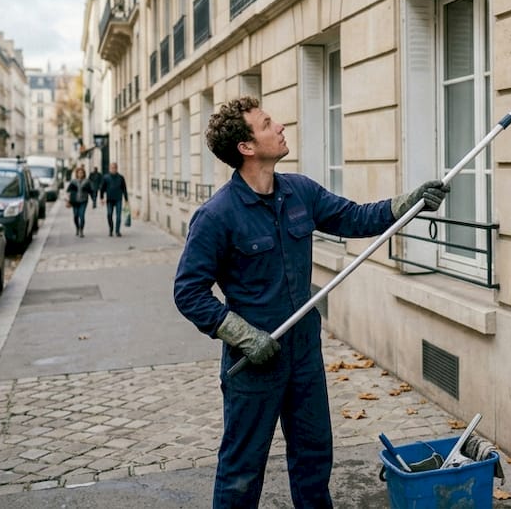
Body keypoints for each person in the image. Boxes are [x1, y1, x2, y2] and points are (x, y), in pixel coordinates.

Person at [173, 96, 448, 508]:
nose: (280, 126)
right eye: (267, 123)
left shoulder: (299, 192)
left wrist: (405, 204)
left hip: (303, 351)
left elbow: (354, 217)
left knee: (314, 459)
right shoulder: (218, 216)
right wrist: (244, 335)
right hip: (255, 363)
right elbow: (188, 292)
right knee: (242, 471)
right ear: (246, 147)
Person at [99, 161, 129, 237]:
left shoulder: (121, 178)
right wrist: (101, 198)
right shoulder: (106, 177)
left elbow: (124, 189)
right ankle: (111, 228)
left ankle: (117, 231)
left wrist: (126, 199)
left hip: (118, 199)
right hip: (109, 199)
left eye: (115, 168)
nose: (113, 169)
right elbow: (102, 188)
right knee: (109, 214)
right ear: (109, 168)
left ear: (117, 168)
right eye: (112, 168)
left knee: (118, 216)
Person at [64, 167, 92, 237]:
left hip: (83, 201)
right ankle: (77, 227)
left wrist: (94, 200)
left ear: (84, 174)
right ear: (77, 174)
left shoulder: (87, 181)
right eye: (79, 173)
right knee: (76, 216)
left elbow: (91, 191)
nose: (80, 174)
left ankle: (81, 230)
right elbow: (68, 191)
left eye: (82, 173)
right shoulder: (73, 182)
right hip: (75, 201)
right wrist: (67, 200)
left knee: (82, 216)